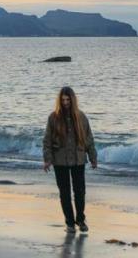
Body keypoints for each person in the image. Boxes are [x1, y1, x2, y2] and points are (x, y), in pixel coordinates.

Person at [42, 86, 97, 233]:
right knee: (64, 193)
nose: (66, 103)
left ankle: (80, 219)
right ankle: (70, 223)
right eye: (63, 100)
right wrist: (47, 159)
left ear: (73, 100)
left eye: (68, 100)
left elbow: (89, 139)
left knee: (80, 192)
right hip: (60, 161)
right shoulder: (53, 117)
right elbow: (47, 141)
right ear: (60, 101)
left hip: (79, 160)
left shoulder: (81, 117)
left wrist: (93, 157)